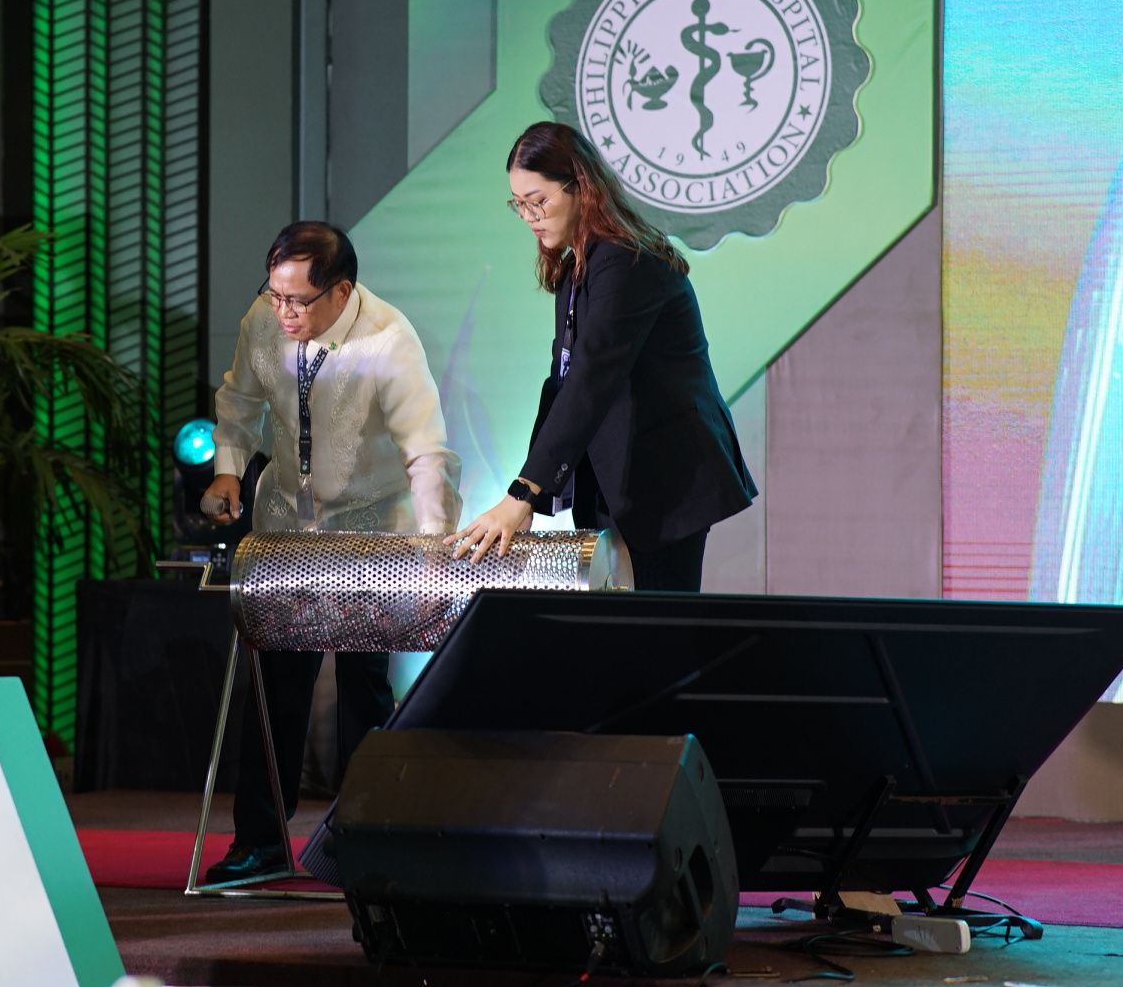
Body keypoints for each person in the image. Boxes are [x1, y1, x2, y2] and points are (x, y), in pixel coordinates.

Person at [204, 221, 461, 883]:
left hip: (370, 532)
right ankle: (261, 842)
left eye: (298, 300)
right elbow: (238, 402)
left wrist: (434, 544)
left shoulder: (388, 339)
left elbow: (426, 451)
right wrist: (228, 471)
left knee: (362, 687)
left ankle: (364, 834)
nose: (283, 312)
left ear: (341, 291)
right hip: (286, 526)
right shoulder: (264, 319)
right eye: (275, 295)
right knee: (273, 687)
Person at [448, 121, 755, 589]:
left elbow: (590, 381)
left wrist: (522, 494)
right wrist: (527, 493)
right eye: (519, 204)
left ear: (581, 187)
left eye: (538, 200)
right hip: (615, 480)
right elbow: (560, 384)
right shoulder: (577, 266)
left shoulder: (628, 260)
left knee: (656, 628)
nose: (529, 216)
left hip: (666, 480)